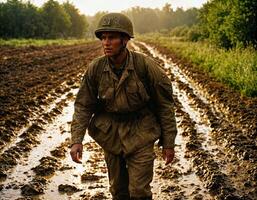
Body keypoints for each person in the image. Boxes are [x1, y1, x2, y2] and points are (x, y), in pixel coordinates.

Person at [70, 13, 177, 200]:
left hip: (141, 132)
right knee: (118, 191)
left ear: (125, 39)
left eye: (111, 37)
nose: (106, 43)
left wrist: (168, 142)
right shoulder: (95, 68)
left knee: (139, 192)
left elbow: (165, 104)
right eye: (103, 38)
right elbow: (83, 105)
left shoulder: (145, 66)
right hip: (110, 135)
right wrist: (76, 140)